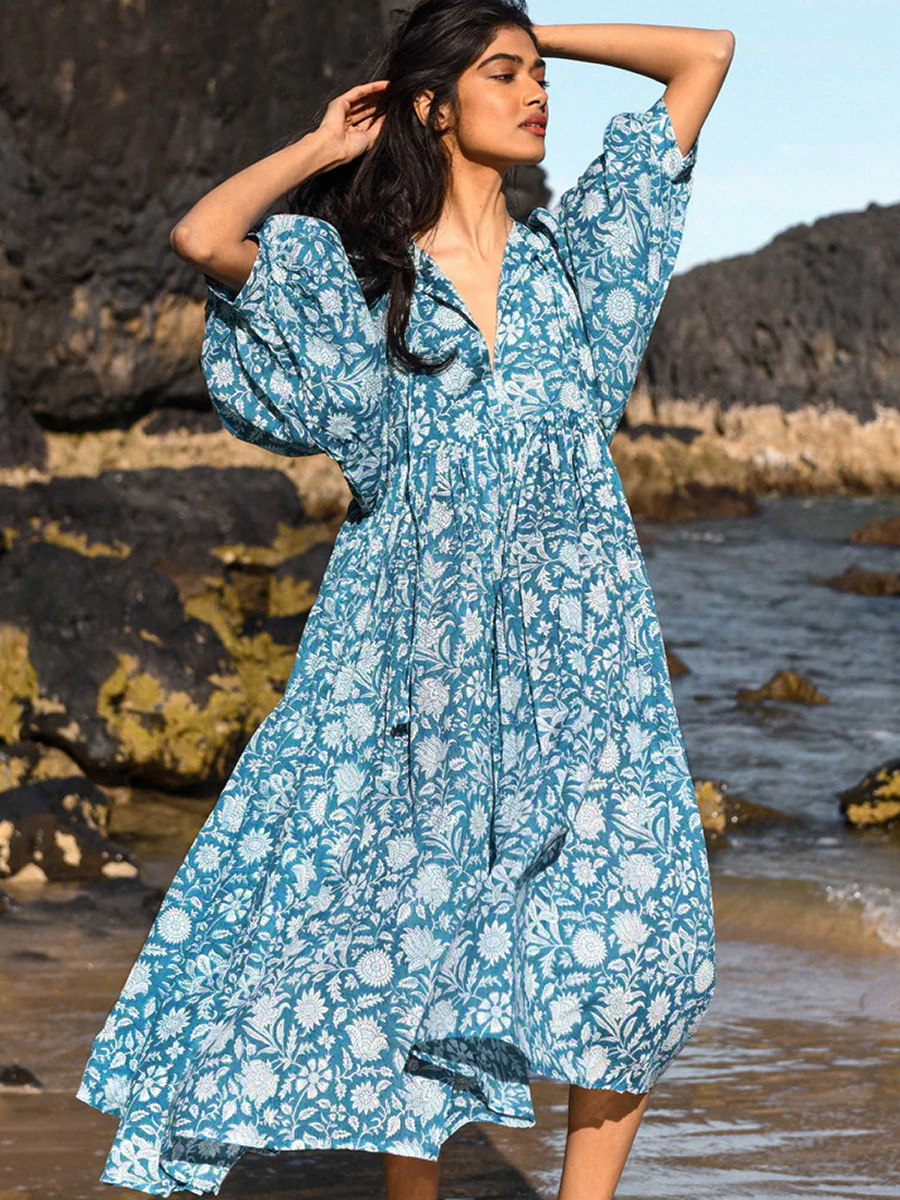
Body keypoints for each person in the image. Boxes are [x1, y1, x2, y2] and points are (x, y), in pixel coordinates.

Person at [76, 3, 733, 1197]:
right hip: (413, 665)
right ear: (433, 106)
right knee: (416, 955)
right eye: (503, 76)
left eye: (538, 77)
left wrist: (523, 28)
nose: (535, 93)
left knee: (648, 945)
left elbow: (705, 55)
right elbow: (204, 235)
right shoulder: (361, 285)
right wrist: (325, 147)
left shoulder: (580, 266)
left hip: (588, 665)